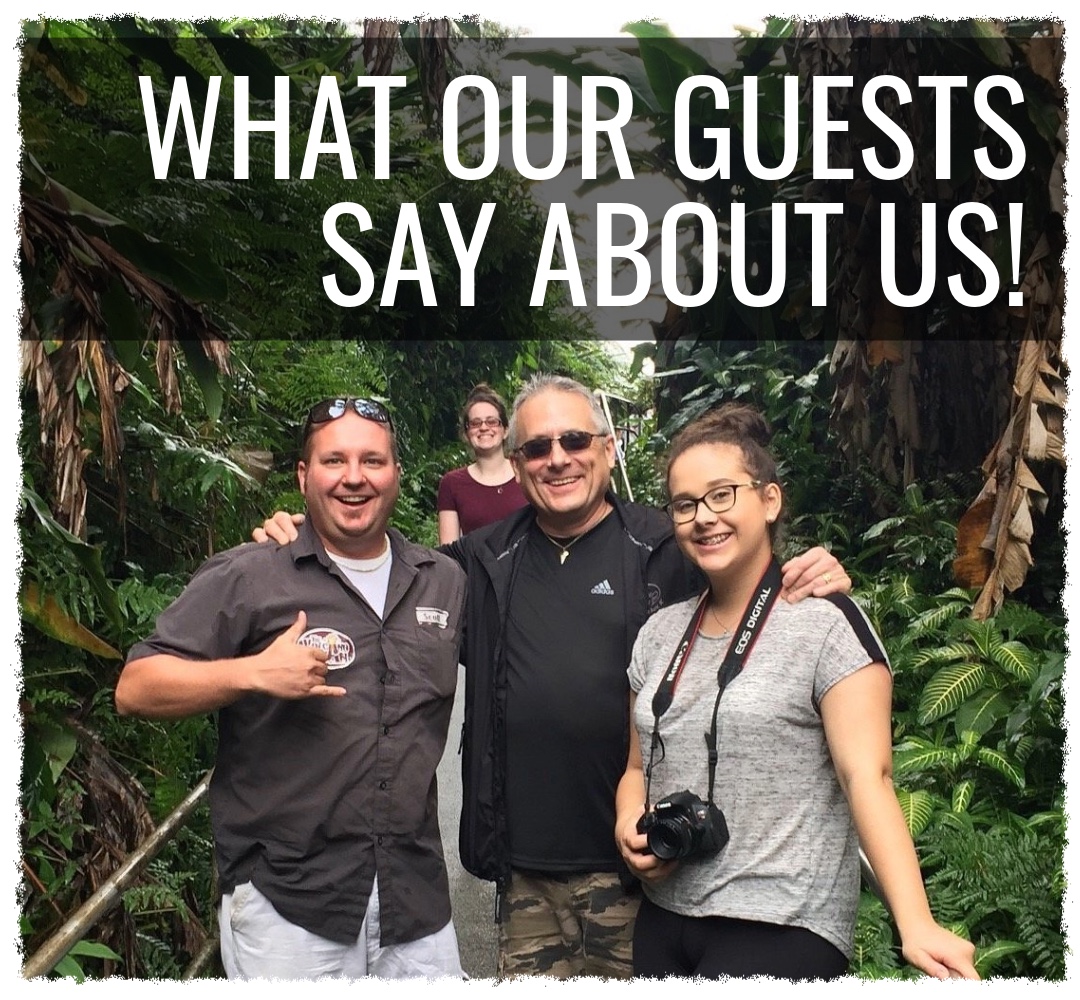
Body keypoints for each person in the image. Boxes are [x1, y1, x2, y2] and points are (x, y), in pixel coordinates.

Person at [254, 374, 850, 980]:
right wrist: (303, 537)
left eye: (574, 440)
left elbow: (748, 574)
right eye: (537, 447)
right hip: (524, 876)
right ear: (516, 464)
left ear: (607, 449)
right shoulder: (478, 563)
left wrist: (808, 571)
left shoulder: (668, 548)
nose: (557, 458)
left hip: (648, 871)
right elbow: (377, 571)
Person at [614, 403, 980, 981]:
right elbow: (637, 767)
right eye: (685, 505)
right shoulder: (659, 634)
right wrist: (627, 820)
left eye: (722, 495)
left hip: (783, 923)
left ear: (769, 500)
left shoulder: (825, 624)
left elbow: (868, 777)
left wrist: (916, 922)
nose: (703, 517)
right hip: (664, 917)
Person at [116, 397, 468, 980]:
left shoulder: (443, 582)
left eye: (372, 461)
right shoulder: (252, 573)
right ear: (304, 476)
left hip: (413, 898)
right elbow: (136, 686)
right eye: (334, 461)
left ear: (397, 475)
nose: (353, 477)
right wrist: (250, 673)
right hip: (289, 905)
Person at [437, 383, 528, 543]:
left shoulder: (526, 472)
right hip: (473, 560)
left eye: (492, 422)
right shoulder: (451, 484)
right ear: (466, 434)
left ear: (506, 430)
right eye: (475, 423)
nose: (484, 427)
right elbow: (448, 551)